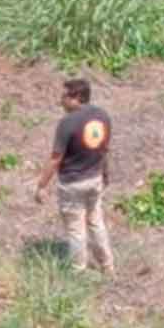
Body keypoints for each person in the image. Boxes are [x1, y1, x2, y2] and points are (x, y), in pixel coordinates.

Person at [34, 78, 115, 276]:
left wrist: (41, 185)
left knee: (76, 229)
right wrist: (105, 174)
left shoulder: (67, 123)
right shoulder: (102, 116)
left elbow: (55, 159)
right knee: (96, 222)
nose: (60, 101)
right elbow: (104, 150)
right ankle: (107, 266)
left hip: (73, 184)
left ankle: (79, 273)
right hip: (94, 179)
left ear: (76, 97)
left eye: (64, 96)